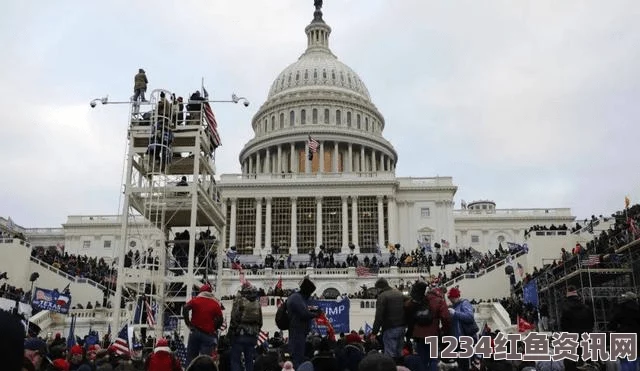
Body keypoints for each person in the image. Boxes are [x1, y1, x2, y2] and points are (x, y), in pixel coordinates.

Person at [405, 282, 451, 371]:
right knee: (433, 359)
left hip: (418, 334)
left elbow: (407, 307)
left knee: (422, 359)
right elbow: (445, 317)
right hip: (432, 335)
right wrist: (445, 330)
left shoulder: (420, 298)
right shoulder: (439, 300)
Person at [183, 284, 224, 365]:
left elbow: (185, 308)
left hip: (195, 331)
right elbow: (220, 319)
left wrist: (188, 323)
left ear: (201, 292)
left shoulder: (195, 300)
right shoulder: (215, 304)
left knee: (191, 358)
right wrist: (214, 328)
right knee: (206, 361)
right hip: (208, 335)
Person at [287, 276, 322, 367]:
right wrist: (316, 314)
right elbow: (303, 314)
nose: (310, 296)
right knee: (297, 357)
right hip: (297, 331)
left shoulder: (297, 298)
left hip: (299, 331)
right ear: (306, 291)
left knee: (298, 356)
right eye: (309, 293)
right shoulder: (297, 298)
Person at [229, 283, 263, 371]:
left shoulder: (239, 300)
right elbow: (260, 321)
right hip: (252, 336)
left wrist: (231, 332)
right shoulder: (257, 302)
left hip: (240, 334)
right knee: (249, 361)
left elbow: (234, 318)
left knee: (235, 360)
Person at [371, 278, 406, 361]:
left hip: (390, 328)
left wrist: (374, 332)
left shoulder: (382, 296)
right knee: (399, 353)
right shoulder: (399, 294)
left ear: (379, 288)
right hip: (402, 327)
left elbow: (379, 316)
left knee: (390, 355)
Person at [560, 285, 594, 371]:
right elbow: (592, 322)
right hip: (586, 338)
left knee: (571, 364)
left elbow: (563, 326)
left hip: (572, 339)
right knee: (587, 362)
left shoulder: (565, 308)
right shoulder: (586, 308)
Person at [447, 287, 478, 371]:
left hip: (465, 339)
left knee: (465, 365)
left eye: (451, 298)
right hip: (457, 341)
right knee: (460, 364)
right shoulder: (454, 306)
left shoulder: (464, 303)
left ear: (455, 296)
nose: (450, 300)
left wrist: (455, 313)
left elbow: (470, 317)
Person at [609, 292, 640, 371]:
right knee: (637, 358)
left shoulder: (620, 308)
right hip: (638, 337)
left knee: (624, 360)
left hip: (623, 336)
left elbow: (612, 324)